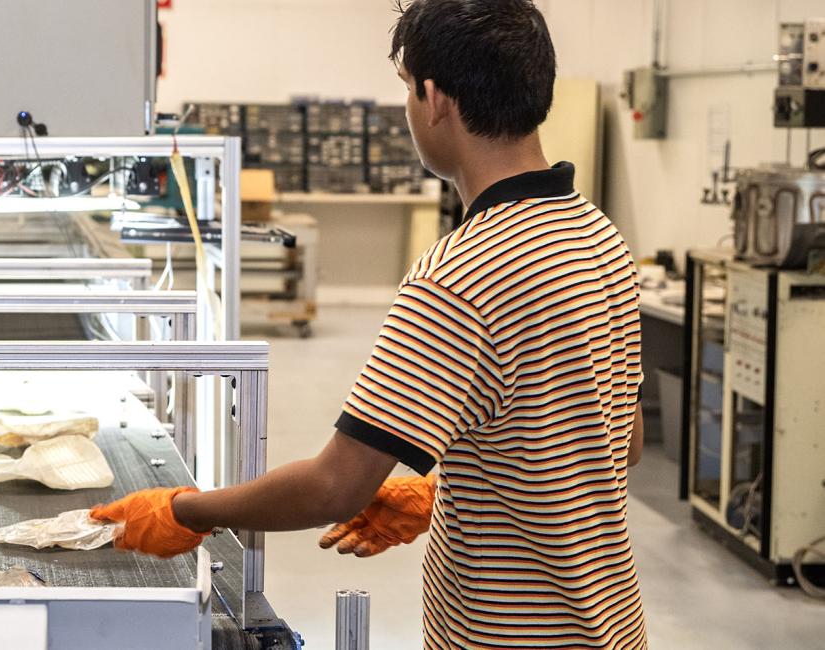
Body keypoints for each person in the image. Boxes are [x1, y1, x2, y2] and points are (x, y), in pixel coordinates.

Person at [91, 0, 647, 646]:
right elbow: (615, 443)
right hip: (611, 628)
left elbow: (335, 485)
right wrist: (443, 493)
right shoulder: (600, 240)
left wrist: (186, 511)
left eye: (407, 90)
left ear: (433, 98)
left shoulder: (459, 275)